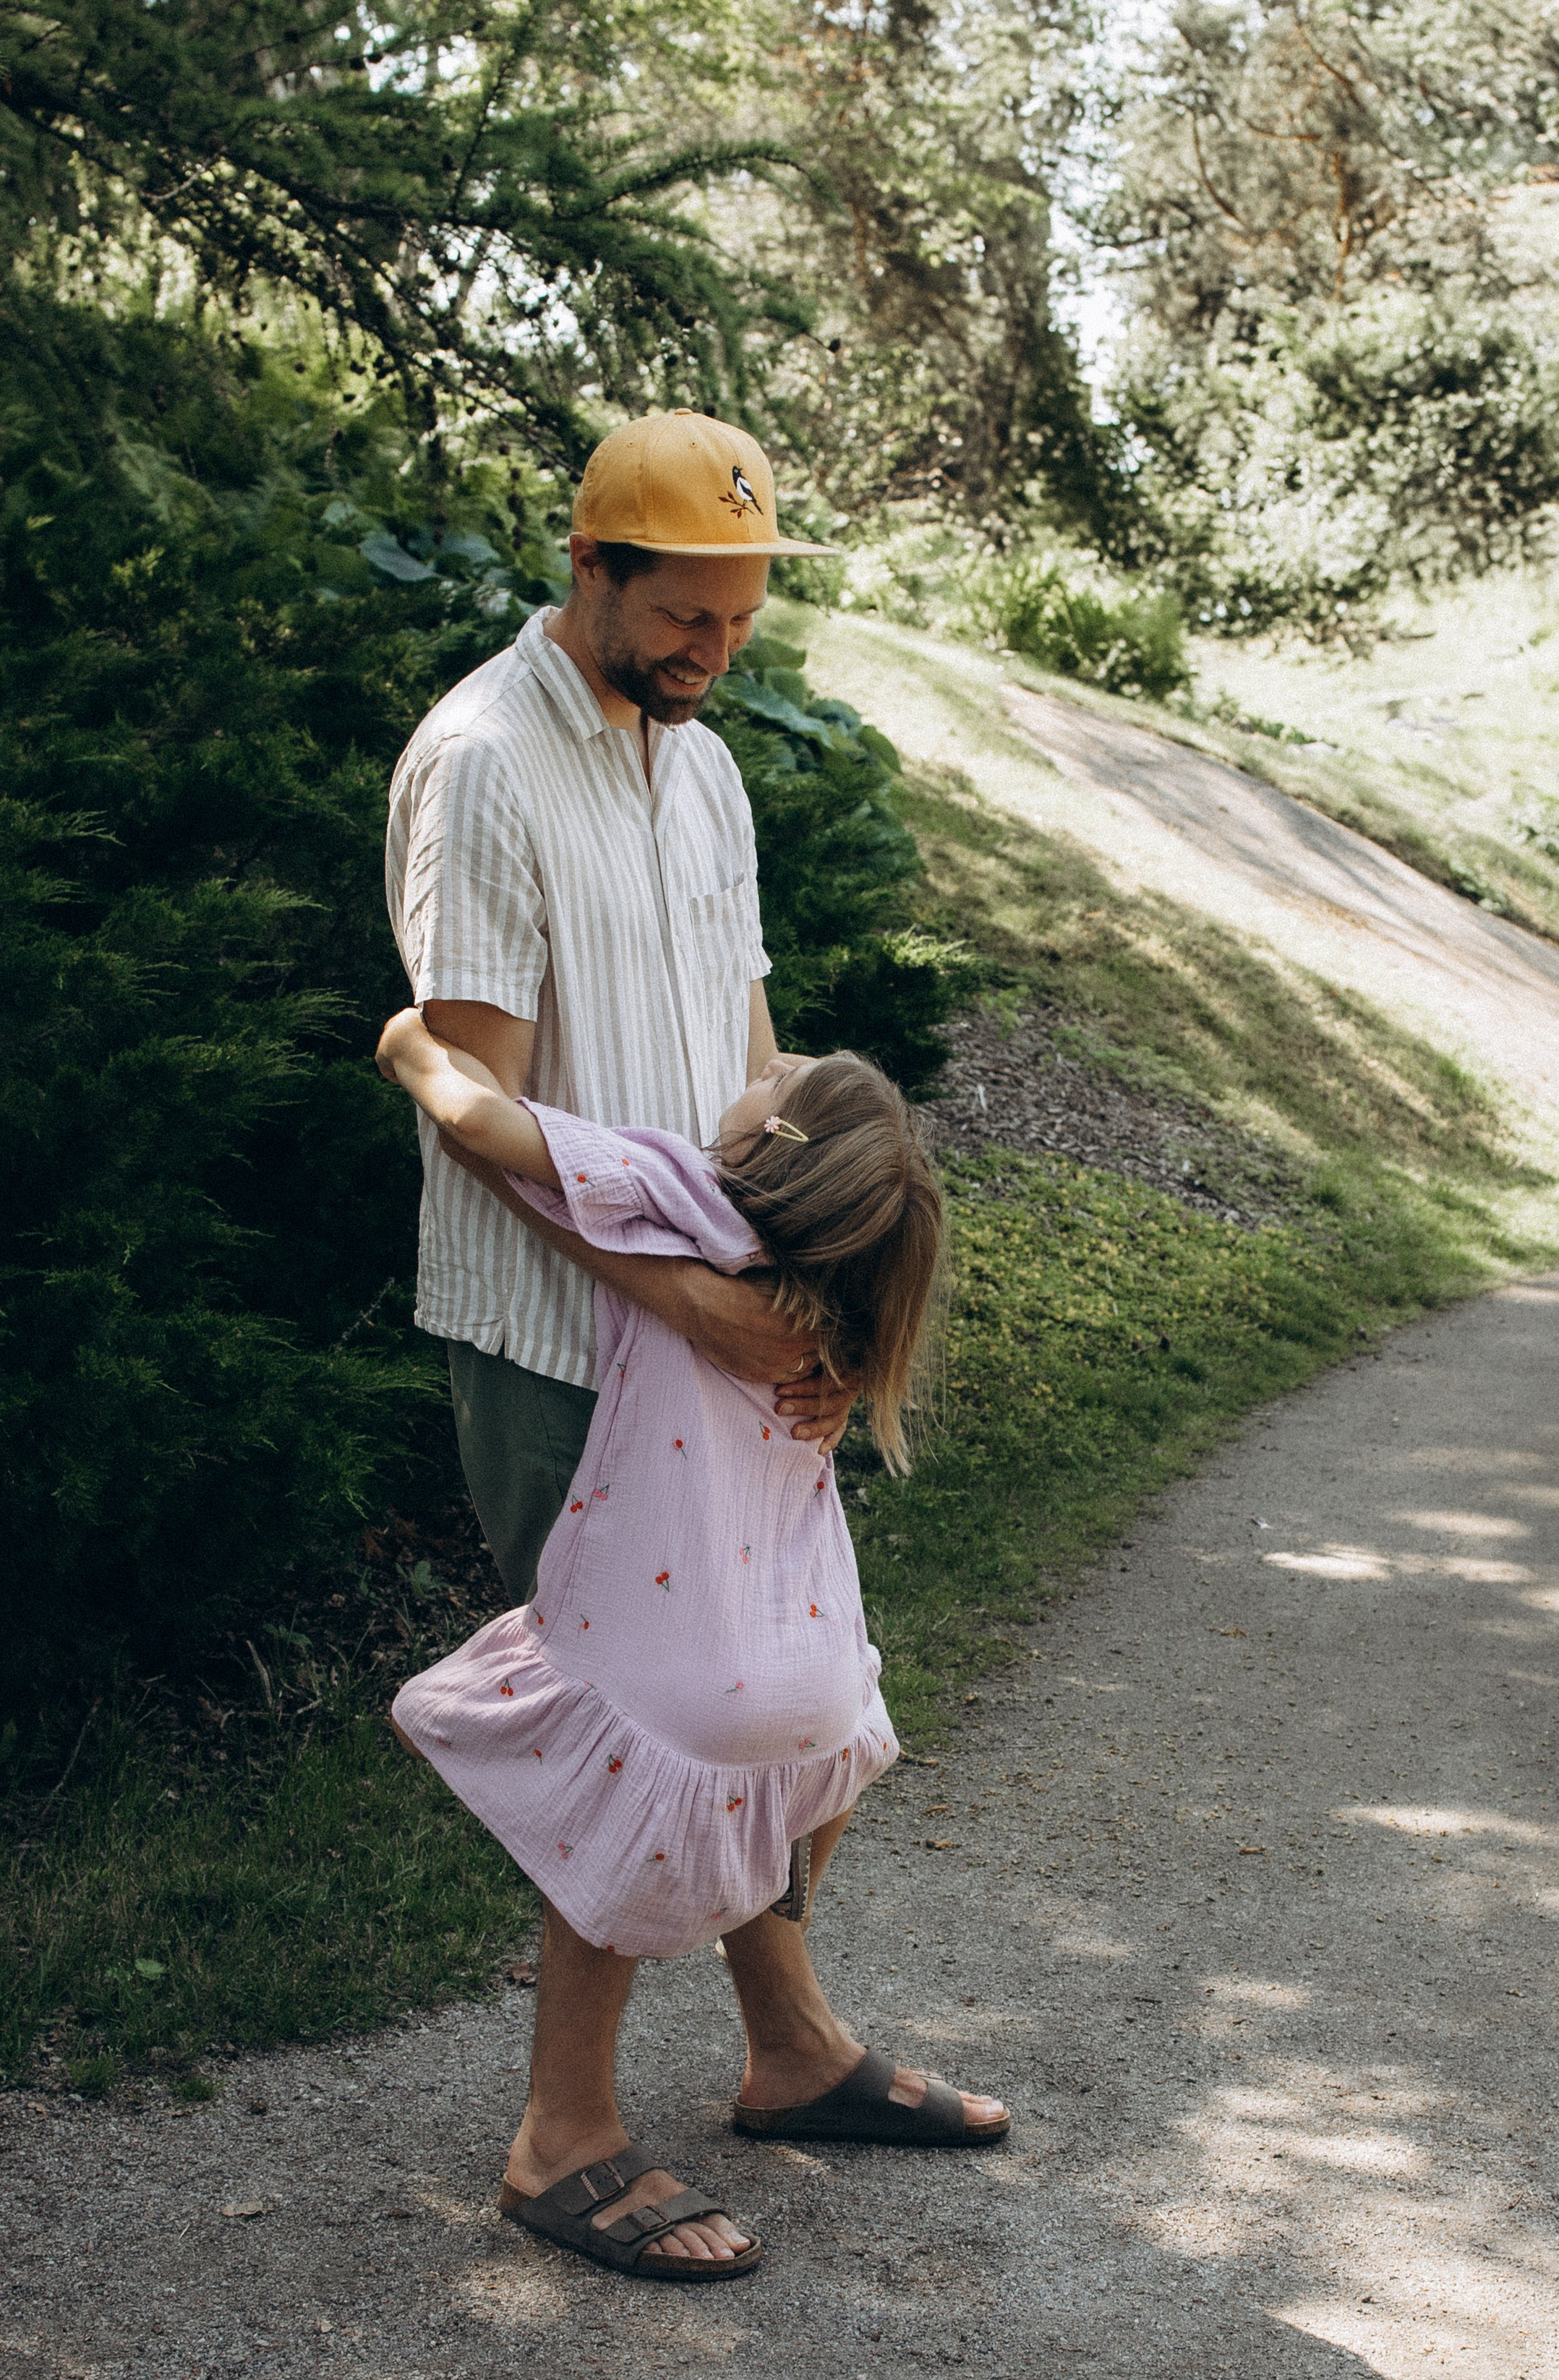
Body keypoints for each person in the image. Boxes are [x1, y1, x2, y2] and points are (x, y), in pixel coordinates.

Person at [383, 408, 1007, 2282]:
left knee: (772, 1685)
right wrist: (693, 1306)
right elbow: (471, 1102)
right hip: (561, 1331)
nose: (714, 651)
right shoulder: (484, 764)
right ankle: (562, 2131)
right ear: (594, 569)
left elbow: (751, 1068)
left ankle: (788, 2042)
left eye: (740, 620)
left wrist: (800, 1298)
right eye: (687, 615)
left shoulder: (706, 772)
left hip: (723, 1310)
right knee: (650, 1706)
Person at [380, 1014, 1008, 2278]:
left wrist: (412, 1047)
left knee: (620, 1801)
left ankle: (561, 2136)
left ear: (767, 1143)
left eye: (774, 1075)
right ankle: (789, 2045)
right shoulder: (846, 1278)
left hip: (670, 1667)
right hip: (813, 1671)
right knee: (801, 1759)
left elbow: (480, 1121)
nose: (754, 1059)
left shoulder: (683, 1184)